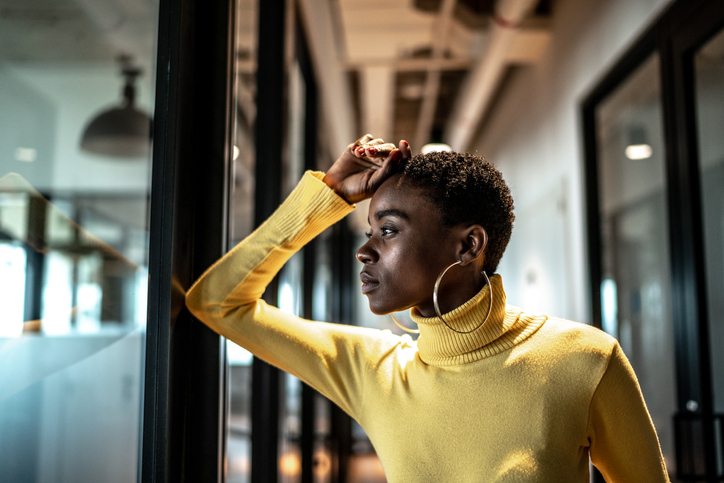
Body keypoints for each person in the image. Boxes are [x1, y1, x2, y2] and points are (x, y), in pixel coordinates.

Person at [186, 134, 669, 481]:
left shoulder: (584, 359)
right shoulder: (373, 369)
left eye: (389, 230)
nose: (365, 250)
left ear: (468, 245)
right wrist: (328, 196)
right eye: (369, 230)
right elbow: (217, 302)